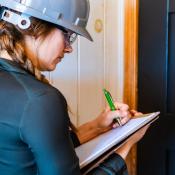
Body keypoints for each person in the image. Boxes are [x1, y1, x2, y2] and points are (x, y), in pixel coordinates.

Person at [0, 0, 149, 175]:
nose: (69, 48)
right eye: (68, 35)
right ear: (33, 27)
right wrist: (125, 145)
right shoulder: (39, 99)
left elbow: (44, 146)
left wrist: (97, 126)